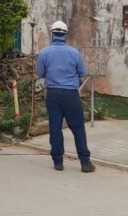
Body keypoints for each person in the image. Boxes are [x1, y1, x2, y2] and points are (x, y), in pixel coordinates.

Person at [37, 20, 94, 173]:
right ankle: (85, 162)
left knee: (55, 127)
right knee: (78, 127)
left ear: (52, 34)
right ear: (65, 35)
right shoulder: (74, 53)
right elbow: (82, 73)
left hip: (53, 94)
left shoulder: (45, 52)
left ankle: (58, 161)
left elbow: (40, 73)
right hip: (71, 94)